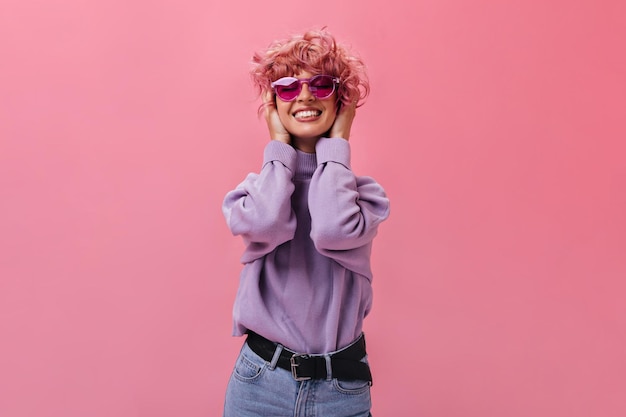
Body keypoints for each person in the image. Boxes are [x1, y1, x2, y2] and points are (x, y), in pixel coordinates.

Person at [221, 28, 390, 417]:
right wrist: (279, 150)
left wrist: (338, 143)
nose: (305, 95)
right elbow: (267, 223)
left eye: (322, 85)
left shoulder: (364, 198)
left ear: (341, 100)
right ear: (272, 105)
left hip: (340, 389)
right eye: (286, 88)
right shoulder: (252, 194)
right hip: (259, 384)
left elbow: (332, 229)